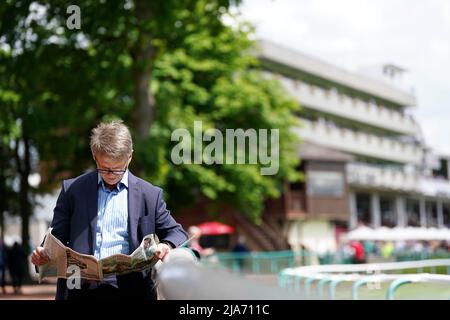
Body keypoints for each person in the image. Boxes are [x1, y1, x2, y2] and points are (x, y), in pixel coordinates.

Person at [31, 120, 188, 300]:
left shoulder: (149, 194)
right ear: (94, 156)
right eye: (105, 169)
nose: (111, 175)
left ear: (129, 157)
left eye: (118, 169)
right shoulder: (73, 190)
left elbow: (176, 232)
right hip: (81, 289)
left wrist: (165, 245)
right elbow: (55, 238)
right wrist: (42, 255)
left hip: (132, 290)